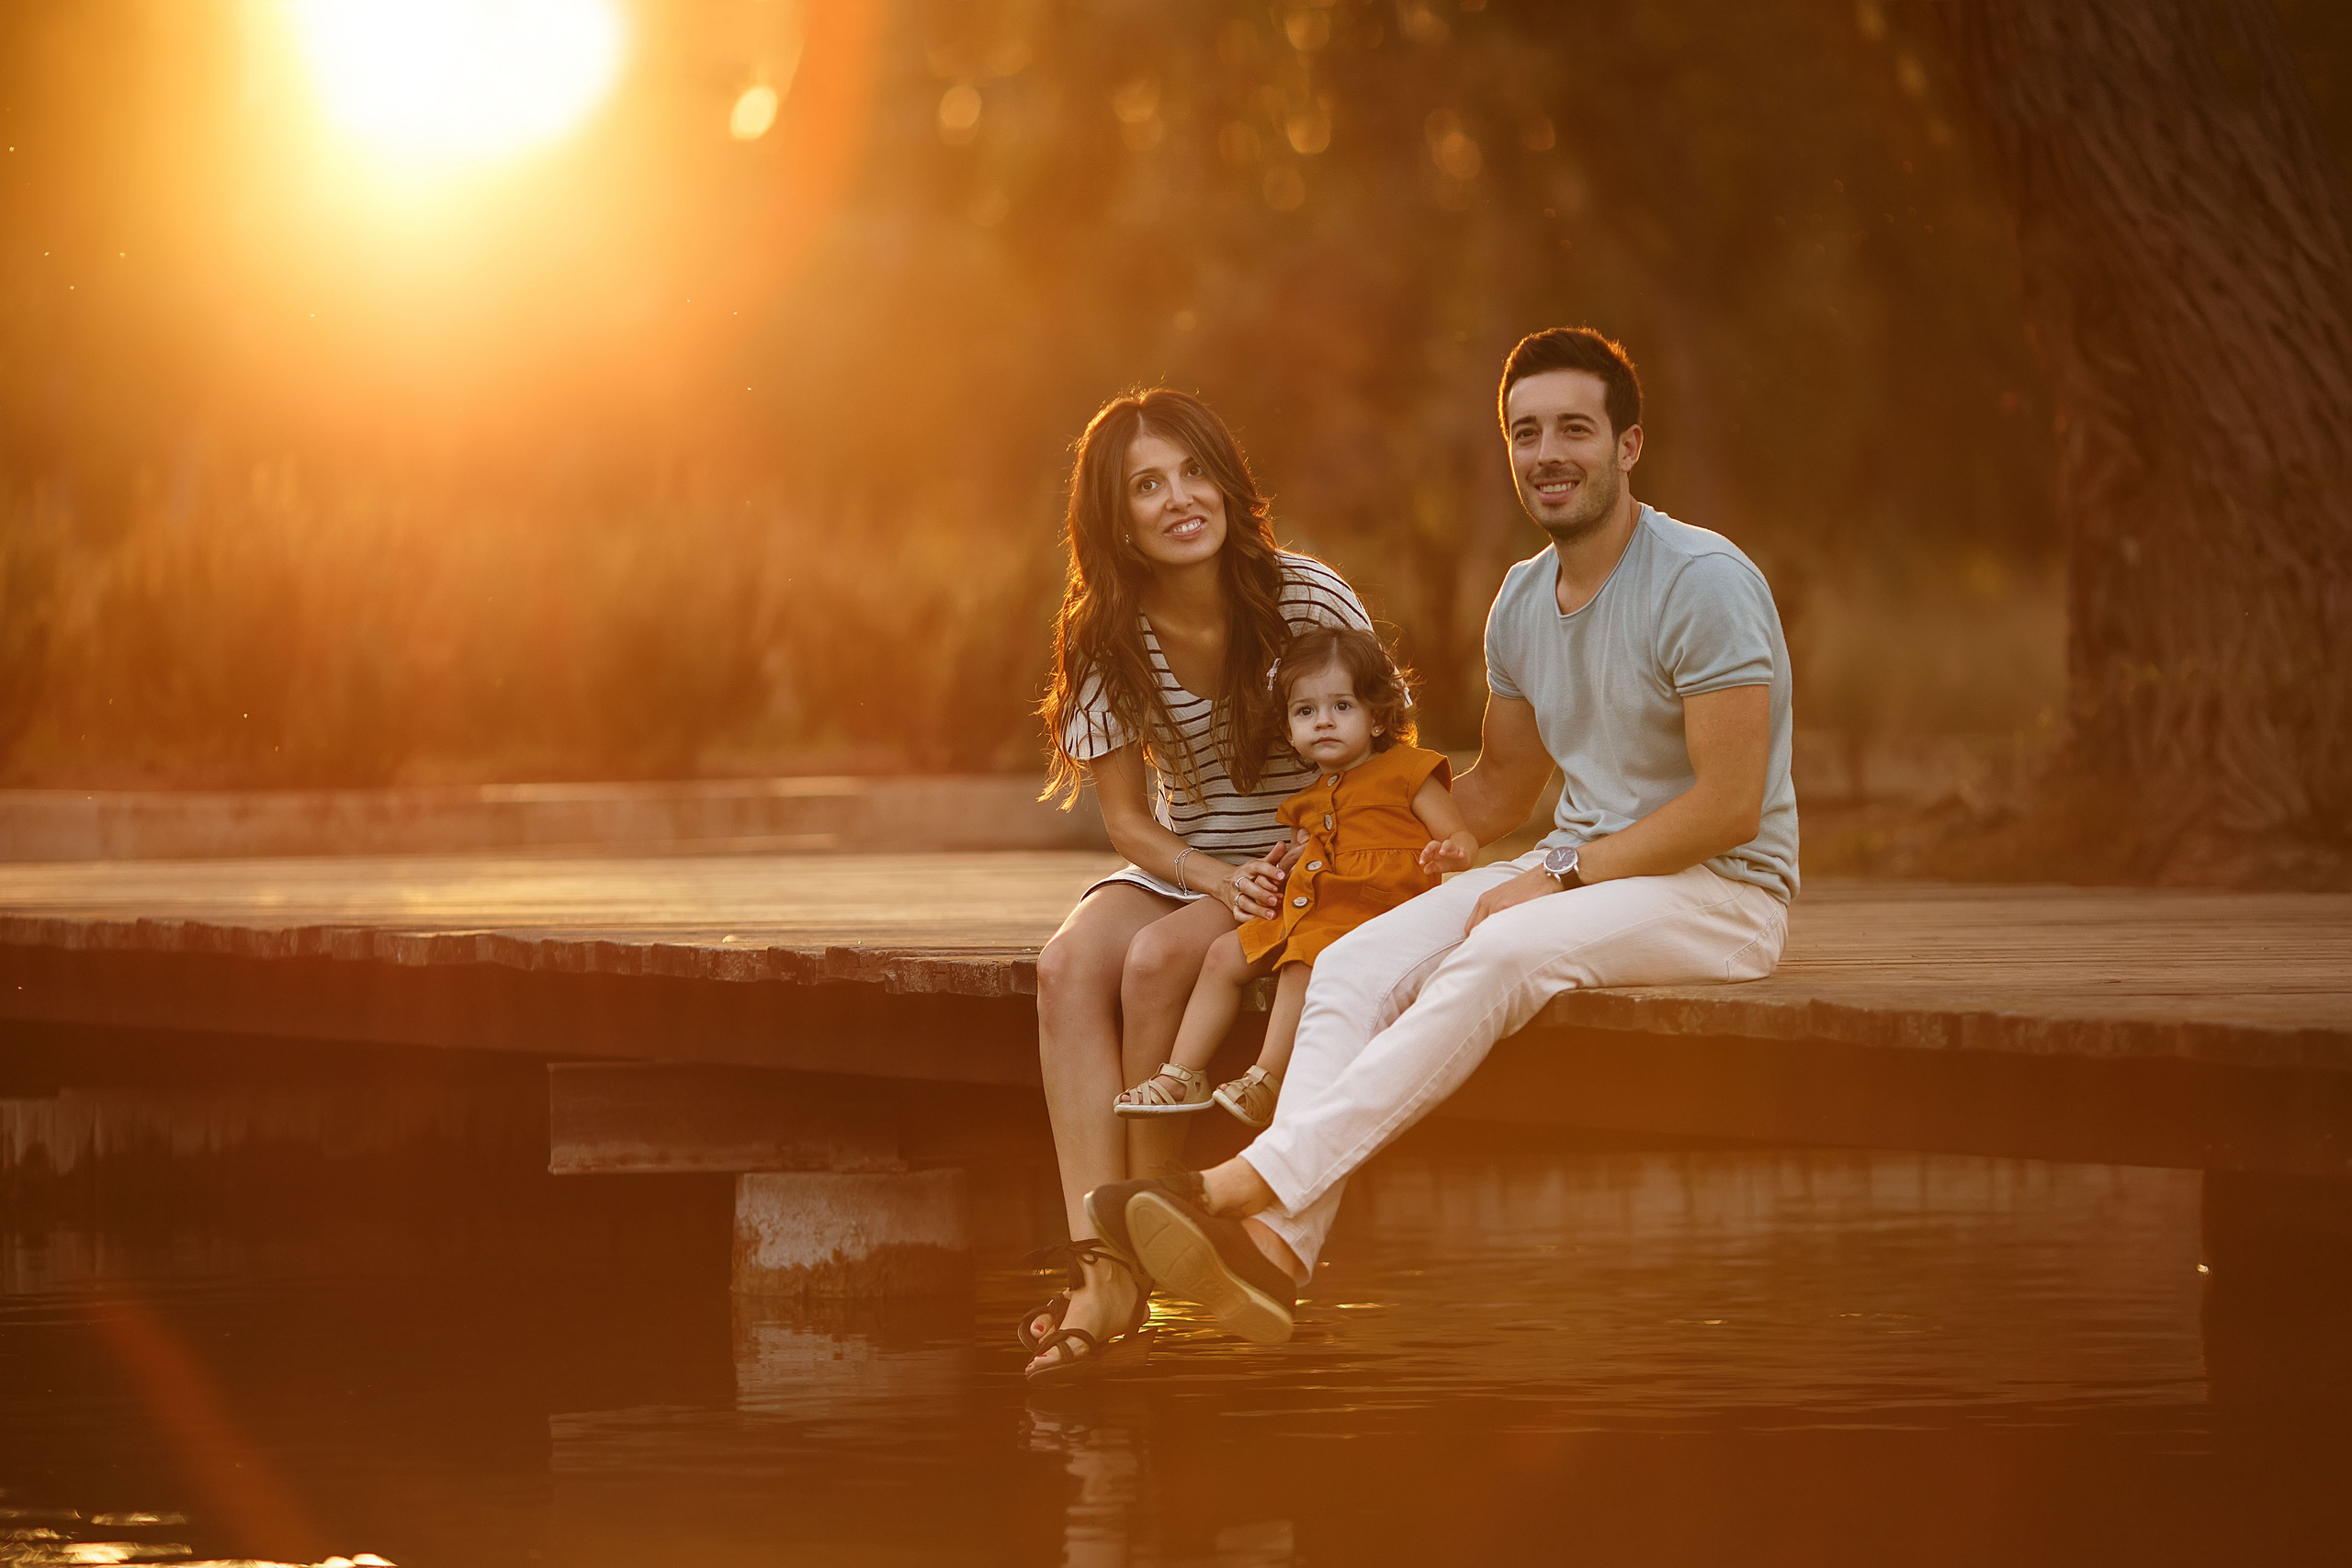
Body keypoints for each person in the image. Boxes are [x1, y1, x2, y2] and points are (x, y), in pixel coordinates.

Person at [1084, 327, 1800, 1347]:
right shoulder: (1522, 600)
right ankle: (1278, 1255)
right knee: (1349, 961)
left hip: (1721, 891)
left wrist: (1560, 874)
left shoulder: (1702, 580)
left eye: (1574, 429)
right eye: (1525, 433)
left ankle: (1245, 1183)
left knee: (1499, 948)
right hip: (1583, 876)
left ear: (1628, 445)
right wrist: (1361, 840)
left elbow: (1729, 806)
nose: (1547, 453)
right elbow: (1499, 787)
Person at [1023, 387, 1374, 1382]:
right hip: (1193, 862)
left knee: (1155, 961)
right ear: (1116, 518)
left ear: (1225, 480)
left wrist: (1299, 865)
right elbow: (1129, 823)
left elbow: (1379, 753)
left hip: (1308, 860)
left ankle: (1152, 1225)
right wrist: (1215, 875)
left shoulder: (1306, 599)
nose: (1180, 498)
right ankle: (1102, 1268)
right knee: (1063, 969)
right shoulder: (1104, 632)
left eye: (1192, 471)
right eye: (1147, 485)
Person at [1111, 626, 1476, 1130]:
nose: (1323, 721)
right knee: (1223, 954)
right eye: (1305, 711)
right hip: (1313, 908)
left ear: (1377, 717)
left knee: (1301, 962)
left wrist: (1452, 850)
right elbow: (1314, 857)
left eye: (1341, 706)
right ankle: (1183, 1074)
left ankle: (1268, 1077)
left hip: (1375, 912)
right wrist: (1285, 867)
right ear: (1288, 729)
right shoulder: (1307, 800)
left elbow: (1458, 833)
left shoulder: (1409, 772)